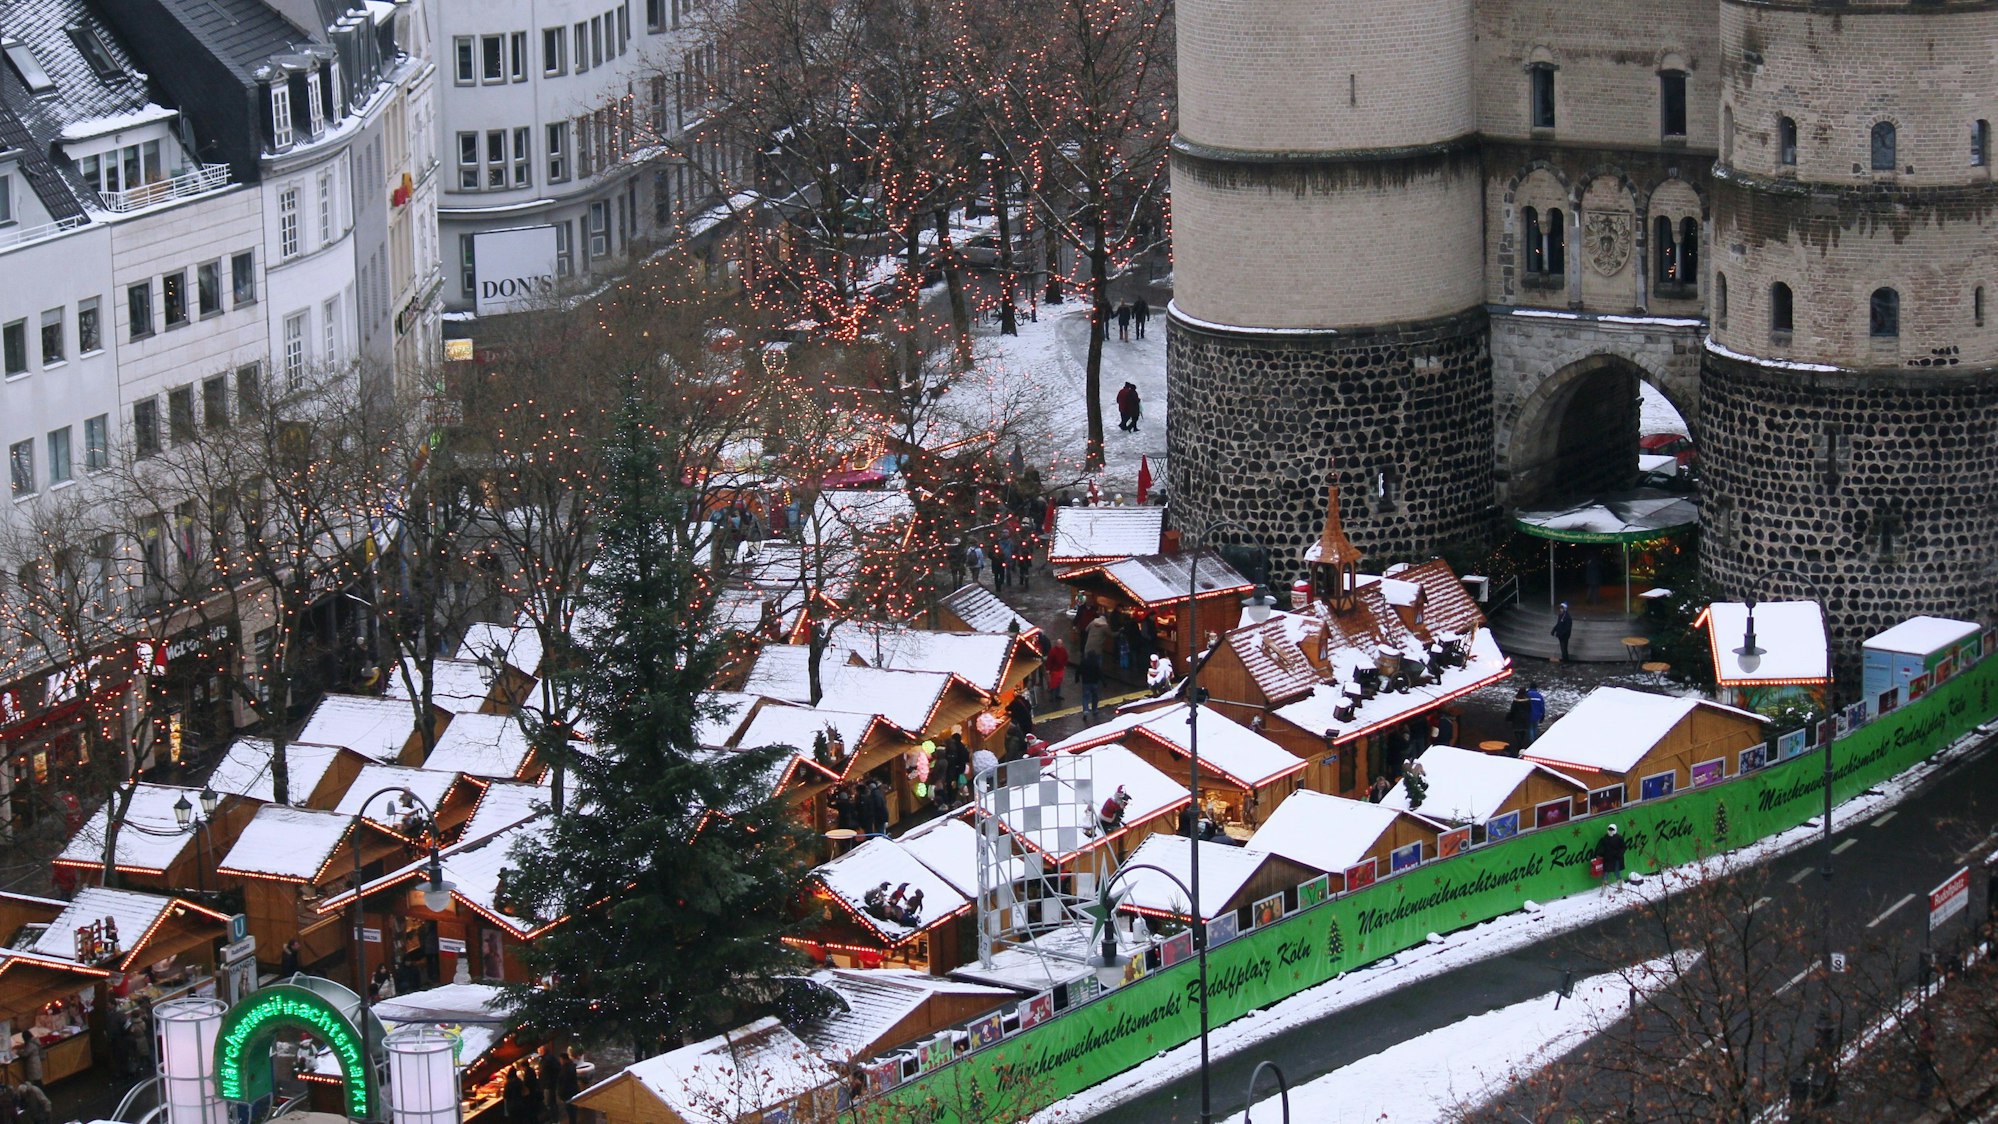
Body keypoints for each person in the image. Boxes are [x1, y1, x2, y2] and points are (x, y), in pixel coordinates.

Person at [1595, 823, 1629, 894]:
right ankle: (1603, 891)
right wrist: (1599, 854)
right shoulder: (1605, 838)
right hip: (1607, 859)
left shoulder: (1619, 838)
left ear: (1615, 829)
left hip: (1616, 859)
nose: (1610, 831)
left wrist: (1620, 854)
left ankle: (1620, 888)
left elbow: (1624, 847)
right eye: (1609, 829)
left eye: (1612, 829)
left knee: (1617, 873)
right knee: (1605, 874)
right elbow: (1602, 847)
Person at [1077, 648, 1104, 720]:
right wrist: (1104, 682)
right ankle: (1094, 710)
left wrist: (1077, 678)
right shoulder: (1096, 663)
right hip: (1094, 683)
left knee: (1085, 697)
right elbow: (1099, 673)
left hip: (1085, 683)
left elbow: (1078, 670)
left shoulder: (1083, 662)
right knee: (1095, 696)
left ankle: (1086, 710)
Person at [1506, 688, 1532, 754]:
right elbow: (1529, 709)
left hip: (1517, 718)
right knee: (1523, 732)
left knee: (1517, 731)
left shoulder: (1516, 700)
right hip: (1524, 718)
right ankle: (1520, 744)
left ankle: (1519, 744)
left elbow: (1512, 709)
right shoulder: (1527, 700)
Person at [1044, 639, 1070, 705]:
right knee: (1054, 684)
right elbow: (1049, 661)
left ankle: (1056, 695)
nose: (1060, 645)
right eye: (1059, 644)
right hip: (1055, 670)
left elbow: (1066, 658)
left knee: (1058, 683)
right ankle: (1053, 697)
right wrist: (1048, 669)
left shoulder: (1062, 650)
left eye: (1060, 644)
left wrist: (1064, 665)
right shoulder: (1053, 651)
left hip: (1060, 669)